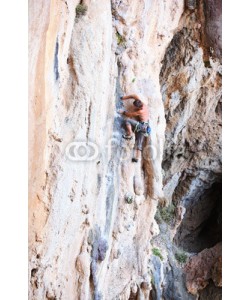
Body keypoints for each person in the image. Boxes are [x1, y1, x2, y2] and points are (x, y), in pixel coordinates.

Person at [119, 94, 151, 162]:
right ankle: (136, 158)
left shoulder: (140, 111)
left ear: (139, 107)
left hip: (142, 126)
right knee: (139, 143)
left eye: (135, 107)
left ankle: (129, 134)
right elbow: (133, 96)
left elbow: (129, 114)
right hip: (146, 127)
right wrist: (123, 97)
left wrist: (123, 112)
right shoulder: (142, 103)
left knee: (127, 121)